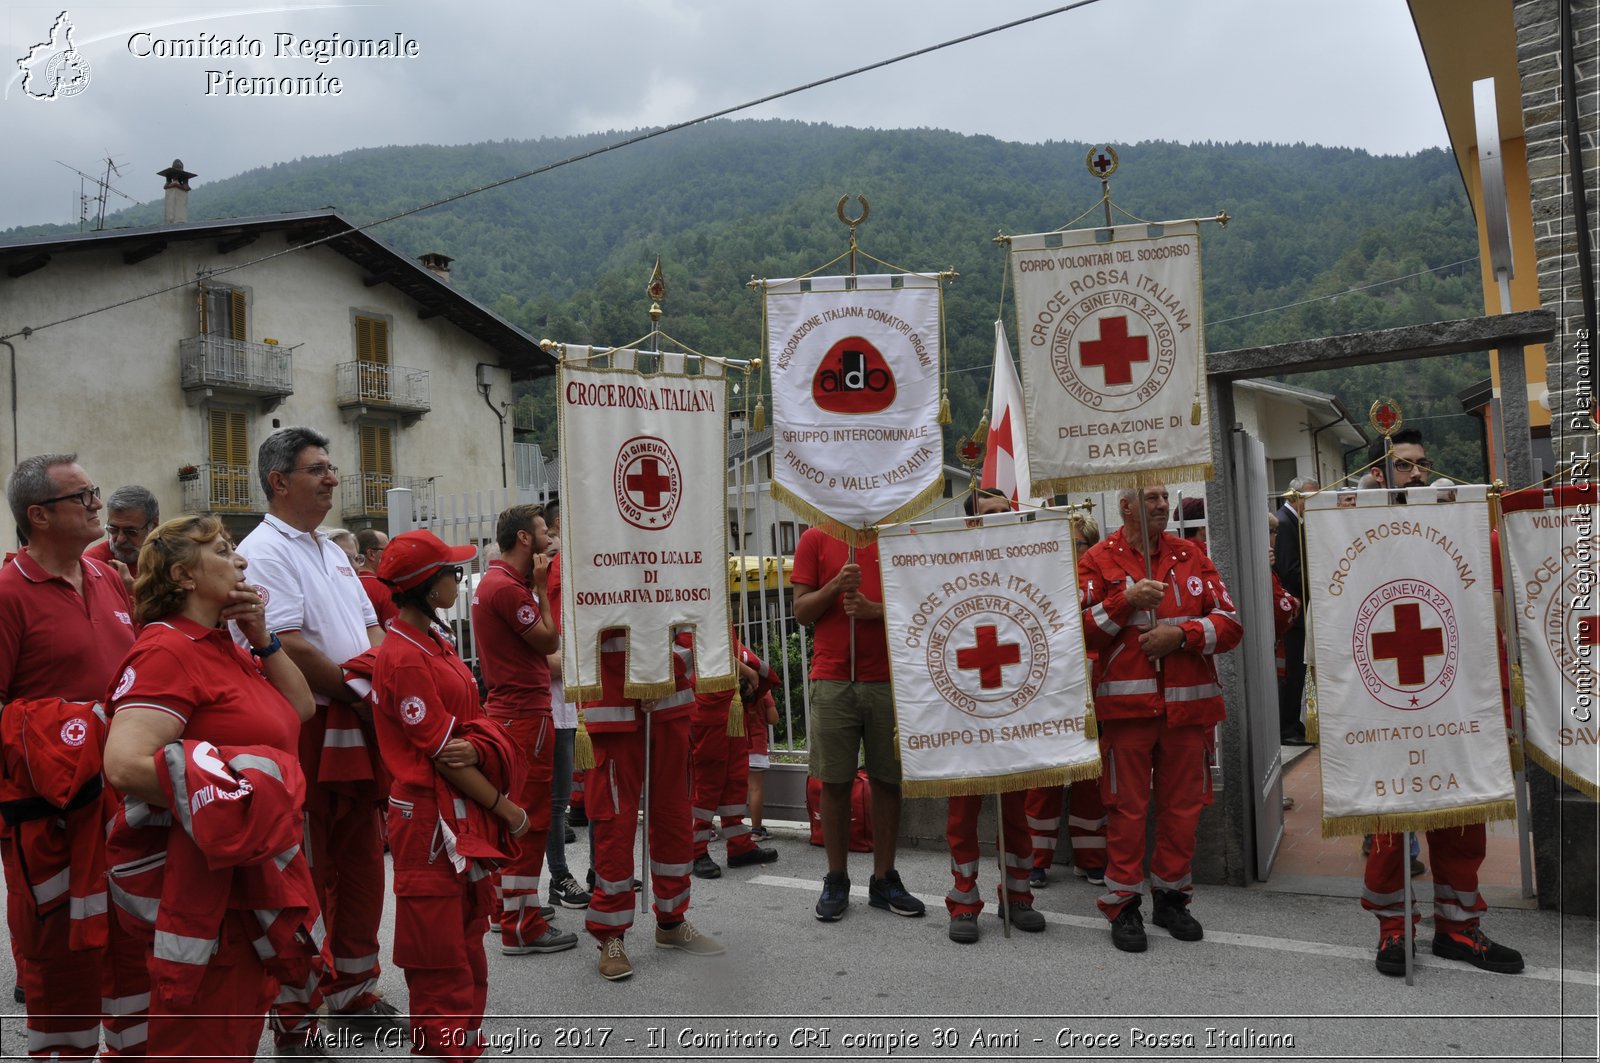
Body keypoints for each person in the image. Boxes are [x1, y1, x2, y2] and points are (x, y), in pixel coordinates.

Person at [102, 515, 323, 1059]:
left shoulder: (221, 644)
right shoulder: (167, 650)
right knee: (208, 1042)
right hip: (210, 886)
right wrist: (238, 807)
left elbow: (297, 711)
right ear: (183, 575)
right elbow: (126, 764)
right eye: (225, 551)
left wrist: (263, 638)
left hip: (247, 874)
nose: (242, 560)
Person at [235, 427, 400, 1051]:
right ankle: (296, 1012)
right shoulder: (264, 551)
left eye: (331, 468)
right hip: (307, 729)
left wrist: (373, 688)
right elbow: (287, 646)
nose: (333, 478)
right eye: (318, 469)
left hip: (354, 719)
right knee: (301, 872)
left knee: (359, 862)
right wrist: (365, 695)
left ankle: (353, 989)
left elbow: (369, 628)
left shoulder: (330, 550)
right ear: (279, 481)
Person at [0, 454, 148, 1059]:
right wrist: (74, 731)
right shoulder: (8, 592)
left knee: (129, 947)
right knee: (59, 955)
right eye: (82, 495)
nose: (97, 504)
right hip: (52, 818)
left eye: (95, 489)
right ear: (38, 515)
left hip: (122, 808)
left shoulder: (110, 580)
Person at [1360, 431, 1521, 977]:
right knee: (1391, 826)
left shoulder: (1466, 531)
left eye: (1424, 464)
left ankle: (1458, 929)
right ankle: (1392, 932)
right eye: (1405, 467)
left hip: (1453, 698)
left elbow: (1491, 613)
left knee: (1462, 816)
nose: (1419, 474)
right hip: (1391, 698)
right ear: (1381, 475)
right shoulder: (1359, 537)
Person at [371, 531, 532, 1058]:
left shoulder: (434, 640)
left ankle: (465, 1049)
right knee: (439, 958)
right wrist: (506, 809)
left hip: (452, 813)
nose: (458, 580)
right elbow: (445, 751)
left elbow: (470, 729)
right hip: (427, 821)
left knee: (467, 948)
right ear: (423, 586)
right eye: (450, 572)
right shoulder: (404, 656)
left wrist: (481, 747)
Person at [1078, 484, 1242, 953]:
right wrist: (1124, 601)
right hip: (1126, 711)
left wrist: (1181, 636)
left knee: (1182, 809)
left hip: (1188, 711)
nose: (1160, 504)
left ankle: (1171, 898)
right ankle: (1123, 903)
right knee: (1126, 810)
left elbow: (1230, 623)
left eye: (1163, 496)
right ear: (1124, 505)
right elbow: (1076, 628)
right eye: (1148, 497)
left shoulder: (1191, 554)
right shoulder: (1097, 559)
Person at [576, 606, 725, 980]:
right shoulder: (584, 551)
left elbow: (696, 615)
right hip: (613, 705)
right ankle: (610, 933)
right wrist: (635, 675)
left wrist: (662, 674)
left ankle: (672, 921)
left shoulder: (671, 547)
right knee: (615, 824)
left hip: (668, 701)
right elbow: (576, 623)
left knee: (675, 816)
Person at [793, 525, 925, 923]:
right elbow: (801, 612)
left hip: (888, 678)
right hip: (833, 679)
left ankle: (884, 878)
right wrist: (834, 585)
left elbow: (924, 604)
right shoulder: (814, 538)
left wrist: (875, 611)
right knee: (834, 782)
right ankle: (836, 878)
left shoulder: (901, 537)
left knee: (888, 780)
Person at [470, 503, 578, 954]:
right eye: (543, 533)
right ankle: (522, 922)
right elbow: (549, 641)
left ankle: (508, 908)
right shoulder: (510, 589)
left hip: (513, 712)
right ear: (524, 540)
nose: (551, 539)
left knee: (518, 817)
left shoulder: (495, 584)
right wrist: (538, 588)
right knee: (528, 821)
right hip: (524, 716)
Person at [943, 490, 1044, 943]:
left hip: (1015, 704)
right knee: (962, 814)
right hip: (964, 708)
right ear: (972, 523)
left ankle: (1019, 896)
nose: (1002, 519)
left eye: (1007, 512)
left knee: (1016, 811)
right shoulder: (946, 570)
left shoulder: (1027, 566)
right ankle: (964, 902)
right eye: (990, 514)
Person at [1028, 513, 1107, 889]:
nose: (1071, 551)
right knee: (1047, 776)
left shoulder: (1103, 578)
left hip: (1093, 688)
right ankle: (1035, 859)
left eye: (1076, 544)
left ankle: (1091, 858)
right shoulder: (1042, 578)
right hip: (1053, 689)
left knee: (1090, 776)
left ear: (1088, 546)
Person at [686, 631, 779, 879]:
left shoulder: (715, 601)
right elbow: (701, 650)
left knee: (735, 776)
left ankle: (739, 845)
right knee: (707, 782)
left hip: (730, 702)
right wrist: (747, 671)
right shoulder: (692, 601)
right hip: (707, 703)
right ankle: (696, 850)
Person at [1274, 477, 1319, 745]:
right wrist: (1321, 580)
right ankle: (1286, 727)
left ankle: (1292, 722)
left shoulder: (1292, 522)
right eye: (1311, 499)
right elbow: (1290, 569)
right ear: (1296, 497)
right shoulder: (1284, 523)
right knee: (1292, 671)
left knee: (1297, 673)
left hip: (1299, 610)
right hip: (1294, 611)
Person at [84, 484, 158, 583]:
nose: (120, 539)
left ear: (153, 526)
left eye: (130, 532)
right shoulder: (90, 564)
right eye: (113, 529)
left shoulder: (170, 559)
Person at [746, 690, 780, 840]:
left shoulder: (731, 688)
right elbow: (774, 719)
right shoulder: (763, 691)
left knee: (733, 789)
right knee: (755, 788)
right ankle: (756, 830)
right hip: (756, 748)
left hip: (735, 746)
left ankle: (731, 828)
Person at [355, 528, 398, 630]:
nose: (391, 555)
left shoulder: (343, 583)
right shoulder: (386, 588)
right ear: (371, 554)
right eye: (388, 550)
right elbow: (395, 634)